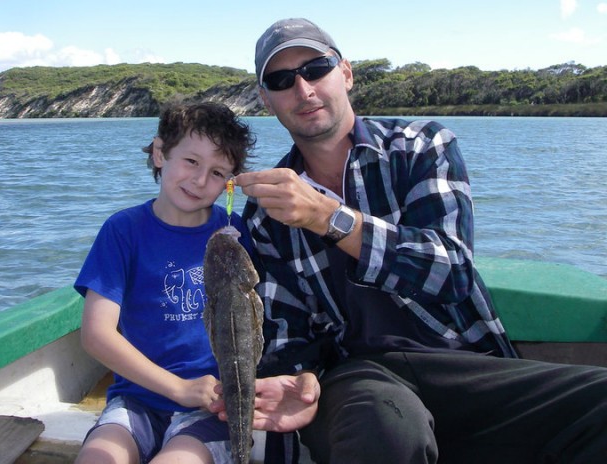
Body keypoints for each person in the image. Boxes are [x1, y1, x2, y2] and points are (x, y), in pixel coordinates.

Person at [217, 18, 607, 463]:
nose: (303, 89)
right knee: (383, 425)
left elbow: (451, 271)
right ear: (266, 99)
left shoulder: (420, 145)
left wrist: (329, 217)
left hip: (463, 361)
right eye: (281, 80)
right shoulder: (266, 213)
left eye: (316, 68)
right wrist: (298, 375)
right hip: (359, 377)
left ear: (345, 73)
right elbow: (287, 331)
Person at [74, 99, 255, 464]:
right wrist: (177, 388)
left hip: (211, 406)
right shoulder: (122, 231)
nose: (201, 180)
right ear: (160, 153)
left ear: (231, 183)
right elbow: (96, 334)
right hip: (136, 399)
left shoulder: (234, 237)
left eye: (218, 173)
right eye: (191, 161)